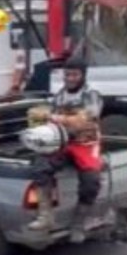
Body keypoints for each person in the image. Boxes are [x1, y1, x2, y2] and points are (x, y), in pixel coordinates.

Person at [28, 57, 103, 243]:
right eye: (67, 74)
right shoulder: (59, 95)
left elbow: (85, 120)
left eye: (74, 74)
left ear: (83, 75)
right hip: (62, 142)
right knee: (40, 166)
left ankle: (79, 223)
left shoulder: (91, 94)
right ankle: (46, 216)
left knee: (91, 181)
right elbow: (47, 120)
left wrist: (55, 117)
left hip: (86, 143)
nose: (70, 78)